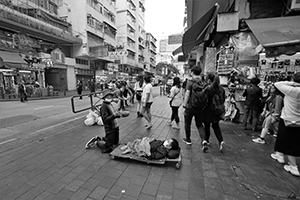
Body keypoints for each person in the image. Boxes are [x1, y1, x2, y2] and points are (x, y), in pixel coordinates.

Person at [270, 72, 300, 177]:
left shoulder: (293, 91)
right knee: (283, 138)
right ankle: (280, 154)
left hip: (288, 119)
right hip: (298, 120)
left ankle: (293, 166)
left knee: (288, 142)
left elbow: (277, 84)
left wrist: (292, 83)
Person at [182, 66, 207, 152]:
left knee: (187, 123)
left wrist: (184, 105)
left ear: (192, 72)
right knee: (199, 124)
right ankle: (204, 140)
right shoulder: (203, 82)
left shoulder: (190, 82)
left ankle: (188, 139)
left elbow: (187, 95)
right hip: (200, 107)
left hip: (190, 107)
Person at [203, 73, 226, 151]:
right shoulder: (221, 89)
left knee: (207, 126)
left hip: (208, 110)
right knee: (216, 126)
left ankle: (206, 140)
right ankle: (221, 141)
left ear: (209, 80)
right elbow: (223, 99)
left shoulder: (208, 89)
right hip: (218, 110)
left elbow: (205, 100)